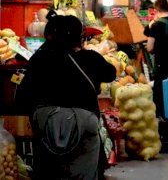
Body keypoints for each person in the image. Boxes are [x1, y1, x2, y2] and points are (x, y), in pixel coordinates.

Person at [16, 15, 117, 180]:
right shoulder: (90, 58)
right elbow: (111, 73)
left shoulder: (41, 58)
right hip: (84, 121)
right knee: (84, 173)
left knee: (49, 171)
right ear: (81, 37)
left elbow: (23, 96)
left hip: (48, 122)